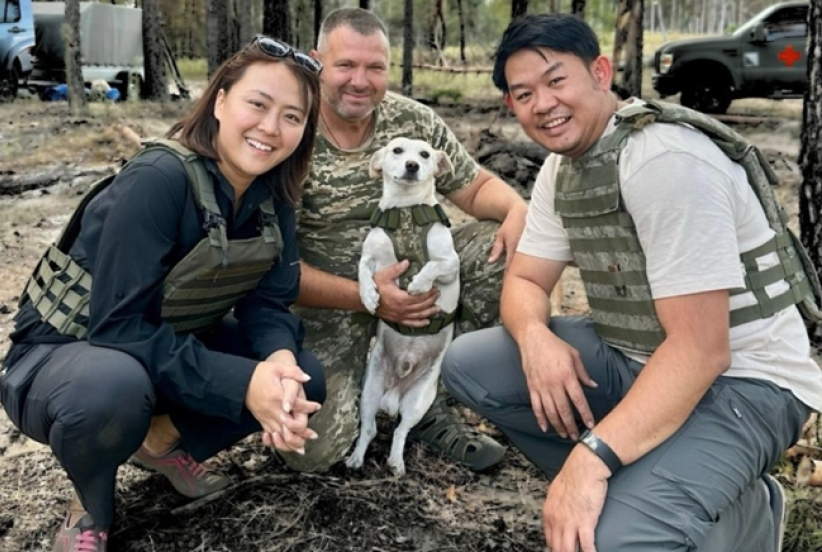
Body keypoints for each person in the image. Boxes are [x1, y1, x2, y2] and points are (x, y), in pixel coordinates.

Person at [441, 14, 822, 552]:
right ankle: (693, 500)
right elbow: (525, 278)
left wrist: (590, 457)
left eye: (556, 80)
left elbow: (702, 350)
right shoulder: (563, 167)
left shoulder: (664, 160)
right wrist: (535, 338)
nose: (543, 104)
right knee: (472, 365)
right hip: (640, 359)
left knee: (609, 540)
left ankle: (685, 512)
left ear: (600, 73)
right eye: (524, 94)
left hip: (746, 382)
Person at [0, 37, 326, 552]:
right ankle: (91, 507)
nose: (270, 127)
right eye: (258, 104)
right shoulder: (158, 179)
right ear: (221, 100)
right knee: (113, 391)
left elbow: (267, 302)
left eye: (292, 116)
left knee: (305, 376)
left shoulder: (273, 193)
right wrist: (243, 383)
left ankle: (159, 441)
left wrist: (279, 365)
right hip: (67, 353)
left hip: (159, 344)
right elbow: (117, 325)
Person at [278, 7, 528, 474]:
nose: (360, 81)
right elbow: (275, 266)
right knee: (312, 452)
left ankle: (432, 398)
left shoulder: (412, 122)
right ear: (317, 62)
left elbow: (475, 188)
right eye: (345, 65)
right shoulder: (289, 129)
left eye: (374, 67)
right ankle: (363, 393)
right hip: (329, 303)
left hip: (419, 295)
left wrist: (518, 210)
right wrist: (370, 300)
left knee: (500, 246)